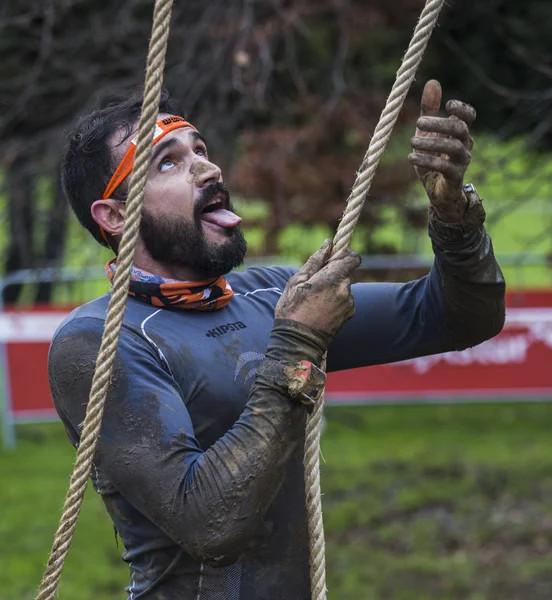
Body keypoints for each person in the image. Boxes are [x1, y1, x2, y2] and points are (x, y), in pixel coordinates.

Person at [48, 80, 505, 600]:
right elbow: (211, 526)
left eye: (200, 149)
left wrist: (455, 220)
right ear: (115, 216)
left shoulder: (269, 293)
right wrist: (298, 344)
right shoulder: (97, 342)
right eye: (166, 163)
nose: (208, 167)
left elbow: (457, 317)